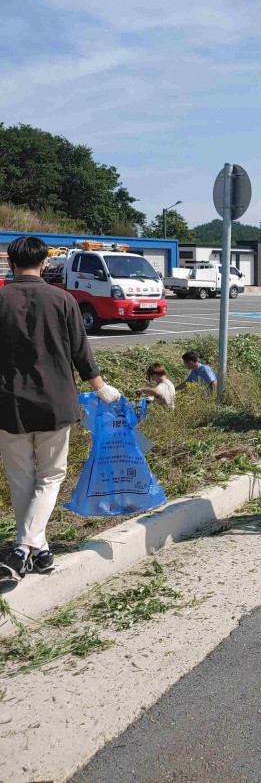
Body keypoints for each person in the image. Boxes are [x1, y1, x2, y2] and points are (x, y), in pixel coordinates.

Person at [0, 236, 121, 582]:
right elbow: (81, 352)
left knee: (20, 479)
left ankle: (35, 549)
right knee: (51, 476)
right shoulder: (62, 300)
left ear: (10, 263)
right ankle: (29, 548)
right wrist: (100, 388)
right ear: (43, 265)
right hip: (54, 402)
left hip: (8, 405)